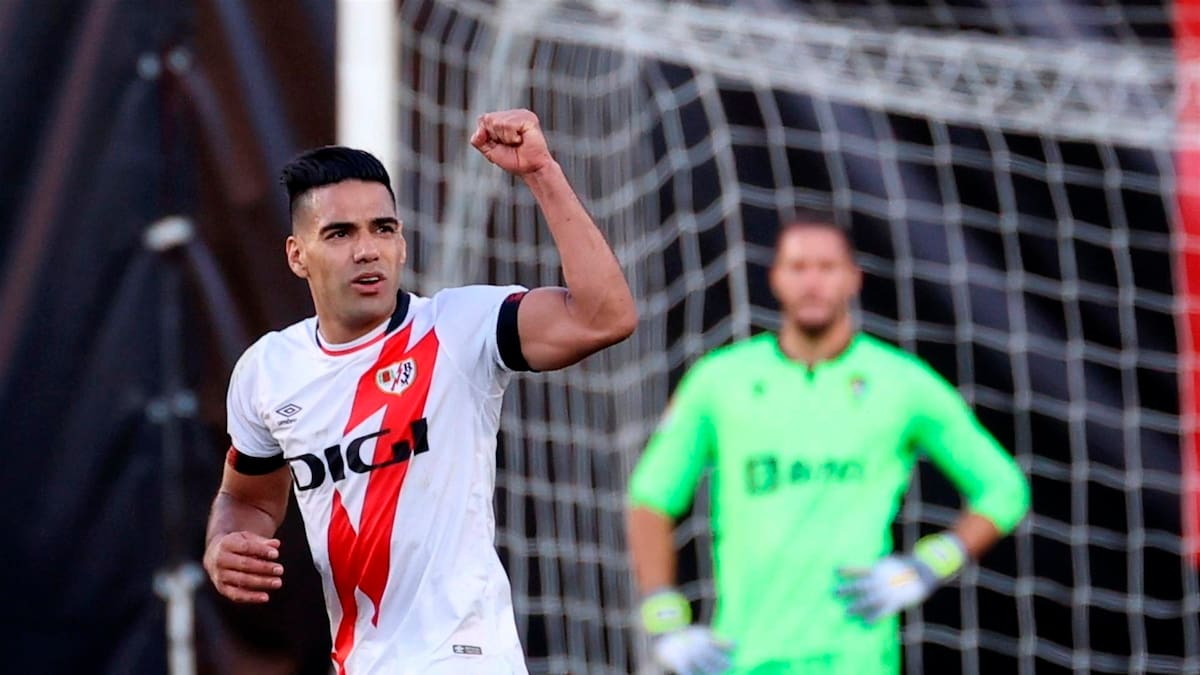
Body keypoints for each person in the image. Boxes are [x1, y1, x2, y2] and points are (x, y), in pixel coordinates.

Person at [202, 109, 637, 675]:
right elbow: (250, 499)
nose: (367, 250)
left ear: (402, 244)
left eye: (382, 228)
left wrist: (541, 172)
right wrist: (226, 543)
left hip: (468, 660)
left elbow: (604, 318)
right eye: (340, 233)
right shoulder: (268, 371)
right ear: (296, 255)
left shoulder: (459, 327)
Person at [626, 217, 1030, 675]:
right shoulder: (719, 380)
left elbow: (1004, 489)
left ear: (854, 278)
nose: (812, 282)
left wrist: (927, 565)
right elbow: (651, 498)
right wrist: (663, 621)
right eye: (798, 267)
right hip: (742, 656)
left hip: (857, 658)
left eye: (827, 267)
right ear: (775, 278)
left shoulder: (903, 383)